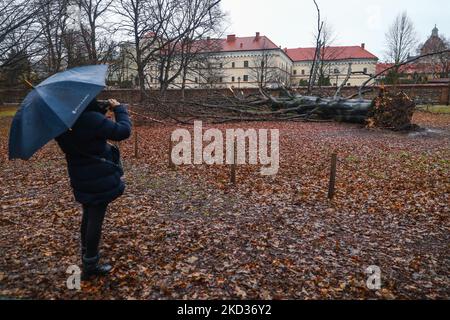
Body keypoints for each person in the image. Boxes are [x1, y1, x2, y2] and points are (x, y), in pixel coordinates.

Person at [56, 98, 132, 280]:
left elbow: (86, 137)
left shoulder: (63, 121)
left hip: (80, 176)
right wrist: (120, 110)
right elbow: (123, 131)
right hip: (98, 176)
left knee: (88, 214)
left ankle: (86, 254)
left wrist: (101, 113)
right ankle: (90, 262)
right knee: (95, 218)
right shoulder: (90, 119)